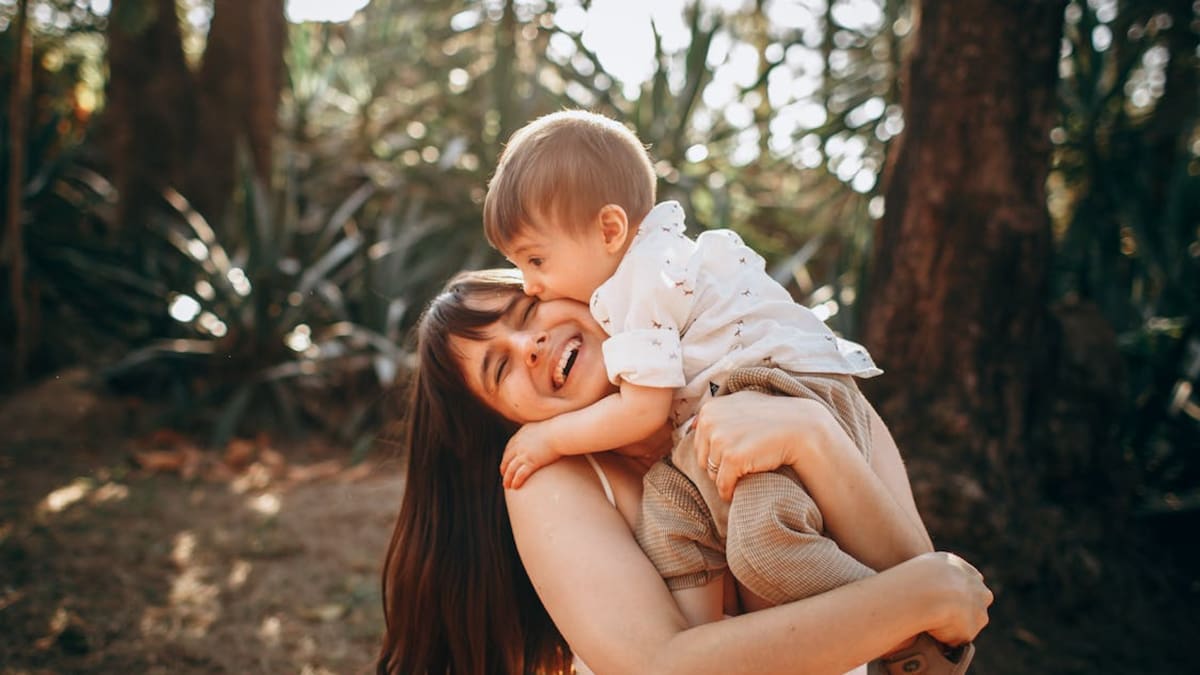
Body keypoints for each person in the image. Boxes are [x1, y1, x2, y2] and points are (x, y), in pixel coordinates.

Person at [481, 111, 971, 672]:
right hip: (727, 423)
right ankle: (883, 615)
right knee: (670, 518)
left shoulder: (644, 284)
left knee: (764, 550)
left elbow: (643, 412)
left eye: (535, 262)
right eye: (498, 369)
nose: (531, 285)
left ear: (610, 231)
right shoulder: (645, 285)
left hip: (781, 388)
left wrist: (548, 438)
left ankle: (910, 639)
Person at [376, 269, 992, 674]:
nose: (528, 345)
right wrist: (920, 595)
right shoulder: (553, 480)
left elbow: (939, 640)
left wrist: (812, 437)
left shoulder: (790, 374)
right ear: (505, 421)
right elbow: (661, 668)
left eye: (528, 308)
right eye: (498, 369)